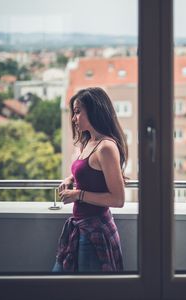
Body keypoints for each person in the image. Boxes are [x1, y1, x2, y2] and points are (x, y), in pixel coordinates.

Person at [52, 87, 128, 273]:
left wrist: (78, 194)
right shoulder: (88, 141)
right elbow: (89, 169)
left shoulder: (106, 147)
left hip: (95, 233)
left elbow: (118, 199)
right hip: (80, 229)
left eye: (78, 112)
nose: (73, 118)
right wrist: (72, 178)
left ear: (94, 111)